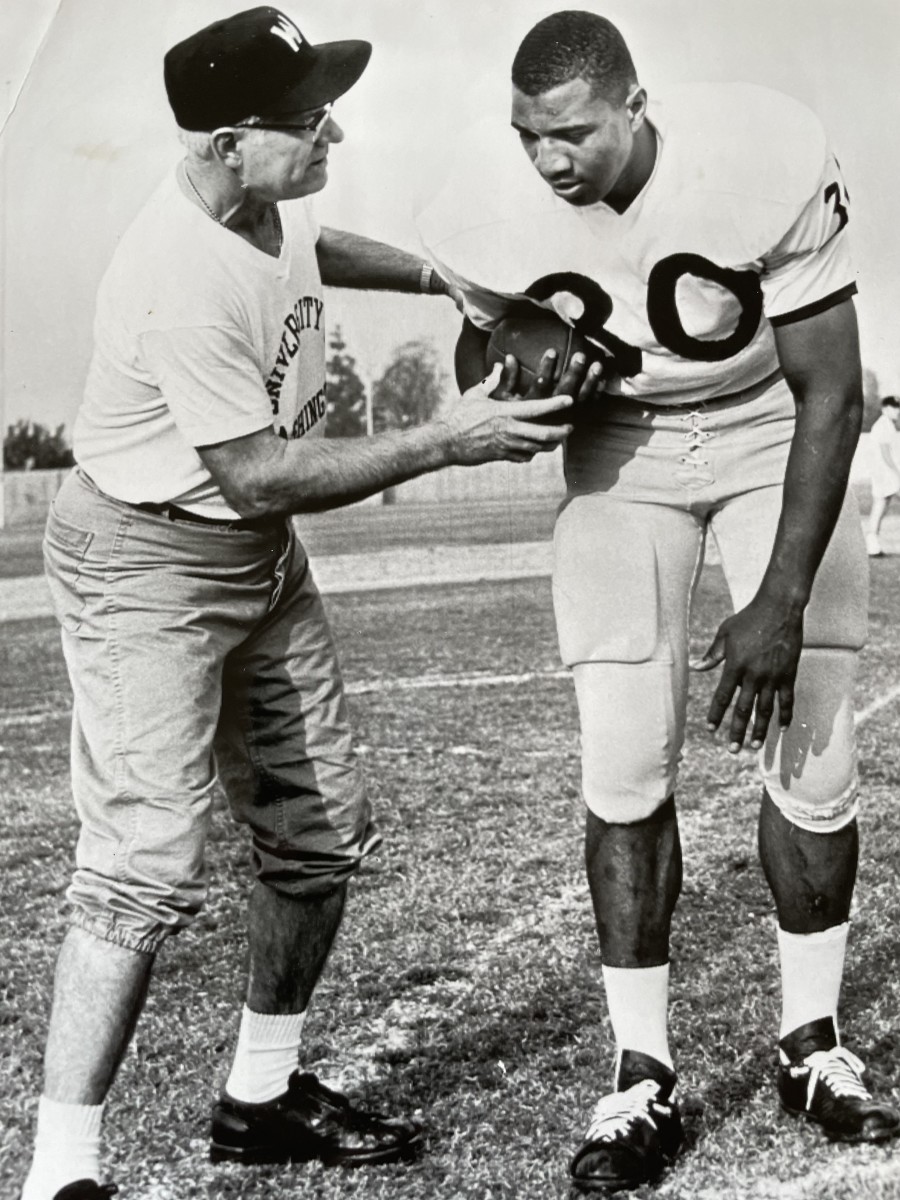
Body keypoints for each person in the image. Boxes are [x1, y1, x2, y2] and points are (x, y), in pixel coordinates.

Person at [22, 9, 600, 1200]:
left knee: (319, 833)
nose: (331, 127)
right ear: (230, 142)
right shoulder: (172, 274)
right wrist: (448, 438)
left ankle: (262, 1097)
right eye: (306, 120)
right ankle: (58, 1168)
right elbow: (259, 474)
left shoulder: (261, 201)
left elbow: (316, 248)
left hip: (252, 557)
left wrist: (454, 281)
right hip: (149, 562)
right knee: (144, 862)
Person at [417, 9, 900, 1193]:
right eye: (529, 136)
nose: (549, 160)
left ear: (637, 106)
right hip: (624, 449)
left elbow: (830, 391)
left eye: (572, 132)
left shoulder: (759, 150)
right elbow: (488, 368)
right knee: (624, 758)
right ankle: (642, 1071)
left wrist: (779, 600)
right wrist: (519, 359)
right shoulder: (473, 203)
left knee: (816, 745)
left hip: (772, 427)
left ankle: (812, 1042)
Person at [866, 395, 900, 556]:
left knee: (880, 506)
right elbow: (885, 454)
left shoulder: (889, 425)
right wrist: (898, 473)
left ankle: (872, 543)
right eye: (894, 407)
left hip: (885, 474)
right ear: (885, 409)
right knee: (880, 506)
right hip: (885, 474)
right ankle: (872, 542)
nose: (897, 410)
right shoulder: (883, 425)